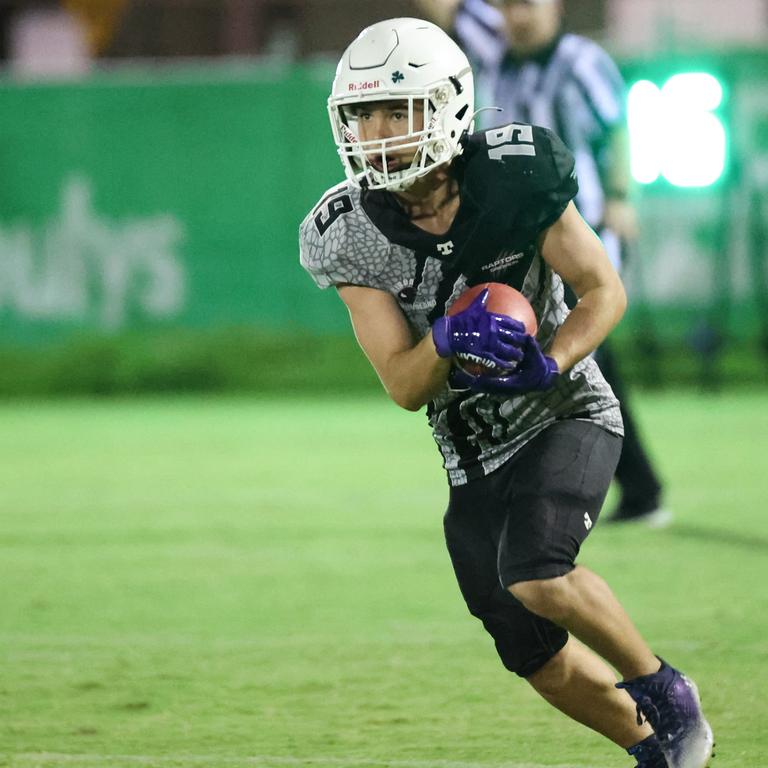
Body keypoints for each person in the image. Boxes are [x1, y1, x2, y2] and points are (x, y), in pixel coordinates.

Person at [299, 17, 713, 768]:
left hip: (566, 412)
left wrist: (550, 362)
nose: (378, 131)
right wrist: (448, 339)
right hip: (472, 453)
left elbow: (601, 289)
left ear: (449, 107)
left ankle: (663, 688)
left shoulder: (513, 174)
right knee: (532, 655)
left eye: (399, 109)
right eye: (363, 114)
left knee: (536, 570)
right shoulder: (348, 230)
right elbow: (400, 382)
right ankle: (661, 752)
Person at [415, 0, 669, 527]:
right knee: (543, 356)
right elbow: (446, 9)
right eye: (506, 5)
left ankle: (635, 489)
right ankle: (610, 488)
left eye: (527, 4)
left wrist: (621, 195)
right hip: (517, 236)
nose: (517, 16)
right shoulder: (495, 46)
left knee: (582, 357)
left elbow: (615, 128)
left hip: (581, 229)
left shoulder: (580, 60)